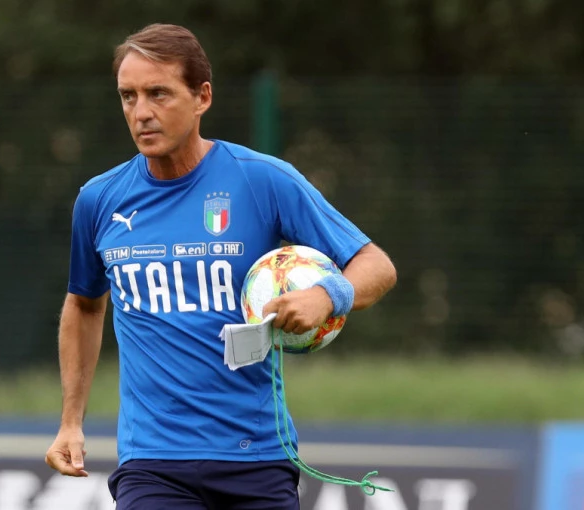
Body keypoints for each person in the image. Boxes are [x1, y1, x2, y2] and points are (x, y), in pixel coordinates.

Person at [45, 23, 397, 509]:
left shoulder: (262, 180)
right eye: (128, 96)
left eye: (158, 93)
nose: (141, 112)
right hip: (152, 463)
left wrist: (325, 296)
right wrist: (70, 421)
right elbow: (84, 305)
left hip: (257, 458)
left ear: (202, 97)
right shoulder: (99, 200)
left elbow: (376, 266)